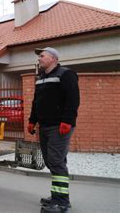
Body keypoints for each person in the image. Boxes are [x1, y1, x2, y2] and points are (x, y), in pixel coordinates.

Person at [27, 47, 80, 213]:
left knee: (56, 161)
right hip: (44, 126)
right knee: (52, 161)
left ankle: (62, 202)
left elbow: (73, 100)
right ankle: (57, 195)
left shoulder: (66, 74)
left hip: (59, 126)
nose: (39, 59)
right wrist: (32, 121)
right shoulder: (41, 78)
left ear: (53, 58)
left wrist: (67, 121)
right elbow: (36, 102)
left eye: (42, 56)